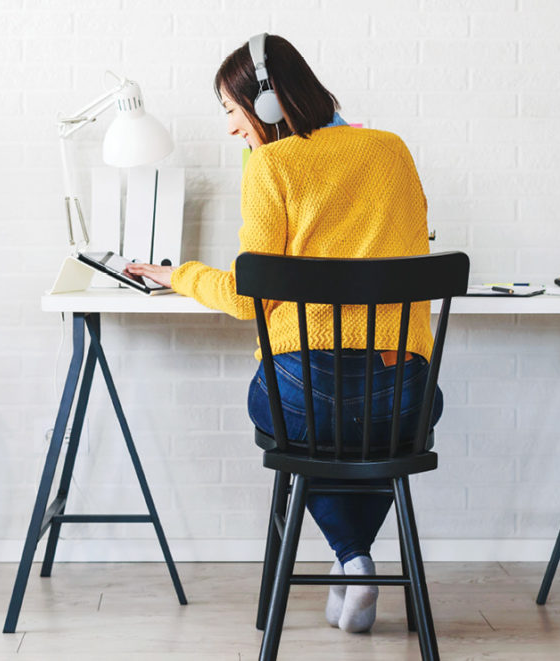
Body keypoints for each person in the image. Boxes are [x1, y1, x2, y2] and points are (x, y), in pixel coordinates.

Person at [124, 34, 442, 634]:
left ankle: (353, 559)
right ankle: (357, 562)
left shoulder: (272, 165)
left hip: (307, 389)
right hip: (404, 396)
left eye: (230, 111)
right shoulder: (392, 149)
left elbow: (249, 300)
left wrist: (179, 274)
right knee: (373, 439)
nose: (229, 128)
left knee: (292, 416)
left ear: (265, 104)